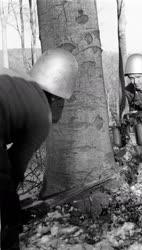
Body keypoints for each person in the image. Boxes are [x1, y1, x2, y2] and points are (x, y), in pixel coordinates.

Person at [0, 48, 78, 250]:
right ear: (58, 98)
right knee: (8, 212)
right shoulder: (41, 113)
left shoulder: (16, 80)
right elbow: (16, 164)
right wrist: (10, 205)